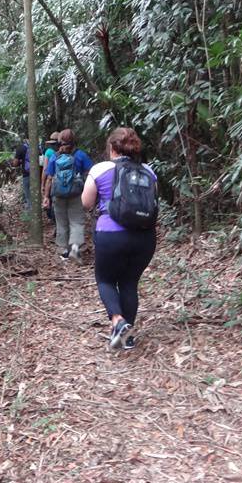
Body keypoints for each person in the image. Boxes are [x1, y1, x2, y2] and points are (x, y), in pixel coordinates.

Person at [81, 127, 157, 350]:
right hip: (144, 237)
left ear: (112, 148)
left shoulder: (100, 169)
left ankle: (118, 321)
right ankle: (127, 337)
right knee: (129, 283)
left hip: (111, 235)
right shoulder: (148, 171)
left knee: (105, 280)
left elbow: (86, 203)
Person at [42, 129, 92, 263]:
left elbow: (49, 178)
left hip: (58, 195)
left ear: (59, 142)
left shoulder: (54, 157)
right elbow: (90, 173)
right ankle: (75, 249)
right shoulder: (80, 155)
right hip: (76, 194)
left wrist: (46, 196)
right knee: (76, 221)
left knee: (61, 223)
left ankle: (64, 252)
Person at [42, 132, 60, 221]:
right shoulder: (66, 151)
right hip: (64, 182)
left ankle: (55, 221)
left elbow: (45, 170)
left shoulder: (49, 152)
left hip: (52, 181)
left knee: (51, 201)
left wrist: (43, 184)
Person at [13, 139, 31, 209]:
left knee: (28, 194)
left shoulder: (20, 148)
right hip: (39, 173)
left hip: (27, 174)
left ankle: (30, 212)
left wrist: (18, 162)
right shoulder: (36, 147)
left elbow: (15, 163)